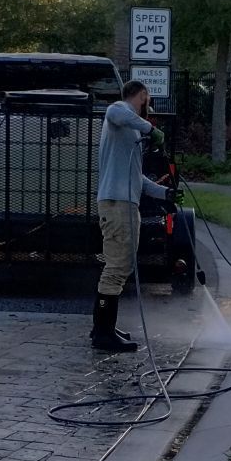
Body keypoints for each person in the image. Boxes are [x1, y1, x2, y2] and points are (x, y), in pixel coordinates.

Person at [93, 78, 171, 352]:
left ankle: (104, 326)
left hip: (124, 202)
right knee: (116, 267)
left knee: (121, 266)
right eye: (146, 100)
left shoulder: (129, 130)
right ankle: (102, 333)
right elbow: (116, 112)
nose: (146, 106)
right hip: (116, 204)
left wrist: (164, 194)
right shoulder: (118, 112)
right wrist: (151, 129)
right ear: (142, 95)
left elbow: (135, 176)